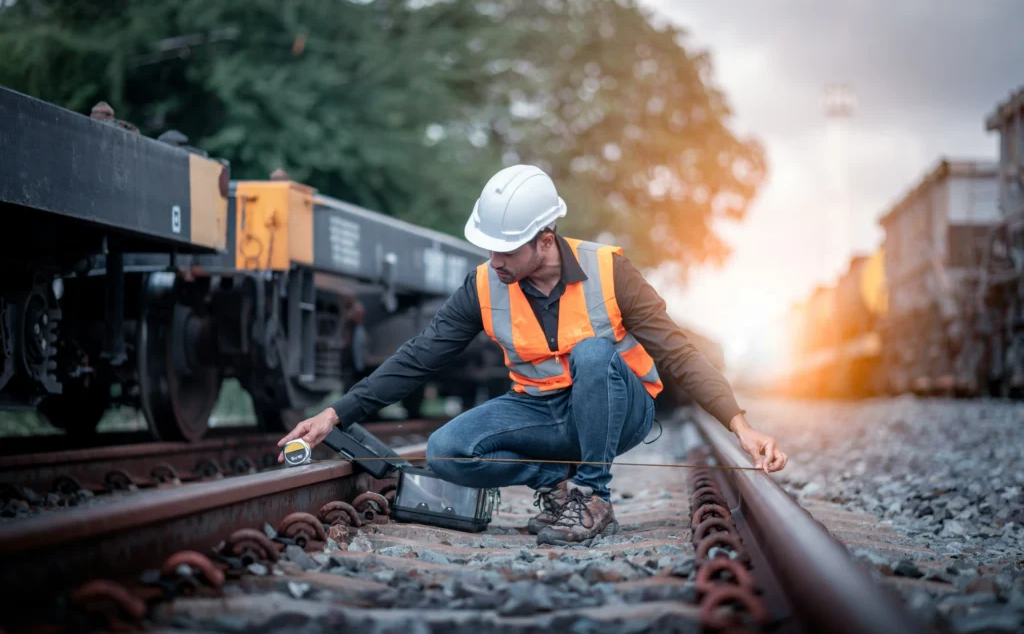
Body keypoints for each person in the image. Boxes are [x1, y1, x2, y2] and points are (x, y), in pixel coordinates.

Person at [278, 164, 788, 545]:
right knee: (444, 450)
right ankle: (558, 484)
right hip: (541, 411)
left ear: (545, 241)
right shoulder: (483, 284)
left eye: (506, 250)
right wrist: (333, 414)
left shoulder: (610, 272)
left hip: (620, 409)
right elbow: (419, 357)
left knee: (592, 352)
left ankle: (593, 499)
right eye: (490, 248)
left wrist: (741, 426)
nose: (494, 260)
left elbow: (677, 353)